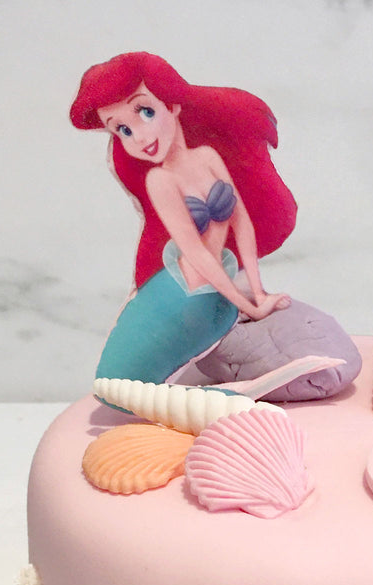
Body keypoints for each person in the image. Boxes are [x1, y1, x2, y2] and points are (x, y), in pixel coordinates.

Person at [70, 52, 299, 386]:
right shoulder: (159, 181)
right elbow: (196, 254)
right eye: (123, 130)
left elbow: (241, 222)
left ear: (172, 104)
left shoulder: (207, 156)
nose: (140, 137)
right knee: (131, 384)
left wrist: (259, 293)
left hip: (217, 289)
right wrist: (250, 308)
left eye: (145, 112)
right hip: (183, 297)